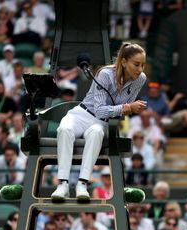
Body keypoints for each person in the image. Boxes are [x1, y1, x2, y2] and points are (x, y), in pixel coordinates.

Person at [51, 43, 147, 202]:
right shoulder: (105, 74)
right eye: (136, 64)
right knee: (64, 129)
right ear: (123, 62)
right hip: (81, 114)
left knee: (96, 133)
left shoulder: (140, 79)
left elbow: (111, 113)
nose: (140, 69)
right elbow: (101, 109)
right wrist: (127, 107)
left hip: (102, 122)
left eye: (143, 65)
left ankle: (82, 184)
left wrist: (125, 108)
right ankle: (63, 184)